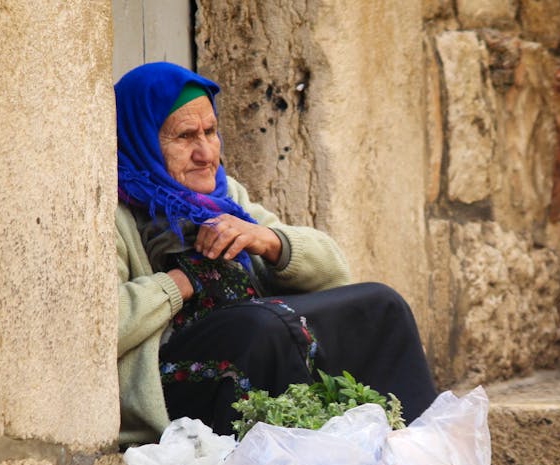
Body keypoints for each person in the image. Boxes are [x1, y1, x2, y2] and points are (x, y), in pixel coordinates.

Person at [115, 62, 437, 444]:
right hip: (176, 382)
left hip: (257, 350)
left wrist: (266, 241)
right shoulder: (114, 214)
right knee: (263, 327)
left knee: (381, 305)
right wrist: (179, 284)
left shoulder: (224, 196)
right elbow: (100, 330)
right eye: (185, 136)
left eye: (211, 131)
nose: (205, 152)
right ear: (143, 140)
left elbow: (335, 272)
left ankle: (416, 461)